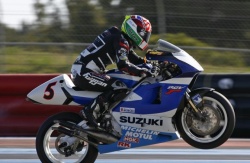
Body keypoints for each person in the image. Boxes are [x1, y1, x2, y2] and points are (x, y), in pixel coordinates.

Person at [71, 15, 158, 129]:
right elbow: (123, 65)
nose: (145, 37)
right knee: (119, 87)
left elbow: (135, 60)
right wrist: (143, 72)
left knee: (119, 83)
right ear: (133, 29)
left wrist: (153, 64)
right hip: (84, 72)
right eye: (143, 33)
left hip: (85, 70)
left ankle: (105, 116)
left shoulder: (120, 37)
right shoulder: (121, 39)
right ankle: (90, 112)